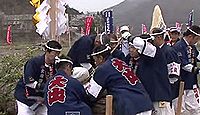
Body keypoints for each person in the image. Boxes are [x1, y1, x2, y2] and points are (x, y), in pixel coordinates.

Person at [86, 45, 153, 115]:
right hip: (145, 103)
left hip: (130, 106)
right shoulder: (120, 62)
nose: (95, 63)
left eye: (95, 60)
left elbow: (91, 96)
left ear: (100, 58)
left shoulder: (102, 69)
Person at [129, 36, 174, 115]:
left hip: (159, 98)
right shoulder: (133, 59)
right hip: (144, 99)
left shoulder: (156, 53)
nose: (131, 50)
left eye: (134, 47)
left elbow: (140, 43)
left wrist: (130, 37)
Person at [14, 40, 62, 115]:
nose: (56, 56)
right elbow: (29, 82)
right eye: (54, 53)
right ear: (46, 51)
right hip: (26, 98)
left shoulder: (55, 66)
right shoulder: (33, 62)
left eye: (58, 53)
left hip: (42, 99)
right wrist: (48, 87)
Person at [151, 28, 181, 113]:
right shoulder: (154, 51)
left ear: (159, 37)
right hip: (156, 90)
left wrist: (165, 88)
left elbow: (174, 76)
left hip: (166, 92)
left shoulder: (169, 51)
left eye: (153, 38)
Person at [173, 25, 200, 115]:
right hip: (181, 82)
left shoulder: (192, 47)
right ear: (190, 36)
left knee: (196, 108)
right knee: (181, 109)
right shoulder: (178, 46)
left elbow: (197, 56)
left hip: (192, 82)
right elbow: (183, 64)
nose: (197, 41)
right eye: (196, 39)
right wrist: (197, 70)